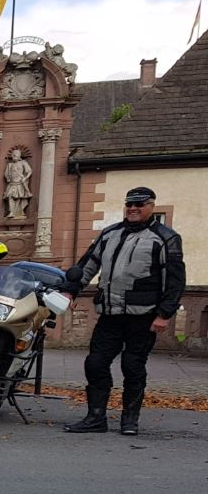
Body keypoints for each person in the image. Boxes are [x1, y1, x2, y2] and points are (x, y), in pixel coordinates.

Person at [63, 187, 184, 436]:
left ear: (151, 206)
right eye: (129, 204)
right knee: (95, 363)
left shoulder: (165, 237)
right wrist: (70, 291)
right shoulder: (110, 234)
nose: (133, 209)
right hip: (110, 315)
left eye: (139, 205)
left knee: (132, 366)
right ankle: (96, 417)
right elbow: (87, 265)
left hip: (144, 316)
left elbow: (175, 280)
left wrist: (164, 314)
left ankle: (130, 420)